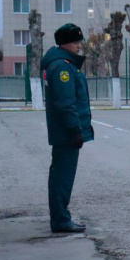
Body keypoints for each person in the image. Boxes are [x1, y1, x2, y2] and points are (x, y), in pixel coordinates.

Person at [42, 23, 94, 233]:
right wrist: (75, 130)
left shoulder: (62, 64)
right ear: (64, 44)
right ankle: (61, 220)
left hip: (64, 132)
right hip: (66, 133)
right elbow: (65, 103)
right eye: (74, 42)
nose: (78, 46)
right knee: (62, 178)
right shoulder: (62, 67)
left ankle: (61, 218)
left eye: (79, 41)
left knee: (61, 176)